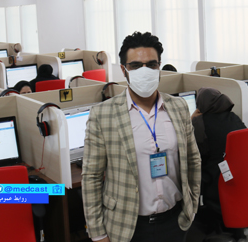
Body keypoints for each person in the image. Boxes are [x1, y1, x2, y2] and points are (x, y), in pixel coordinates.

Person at [82, 31, 201, 242]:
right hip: (127, 227)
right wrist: (98, 233)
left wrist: (191, 207)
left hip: (175, 221)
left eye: (151, 65)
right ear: (124, 70)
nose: (144, 71)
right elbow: (91, 177)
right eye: (136, 65)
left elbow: (193, 159)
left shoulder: (179, 107)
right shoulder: (102, 114)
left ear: (159, 67)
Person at [191, 88, 245, 233]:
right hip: (238, 177)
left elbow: (196, 155)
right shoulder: (233, 117)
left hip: (215, 178)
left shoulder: (200, 123)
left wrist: (191, 120)